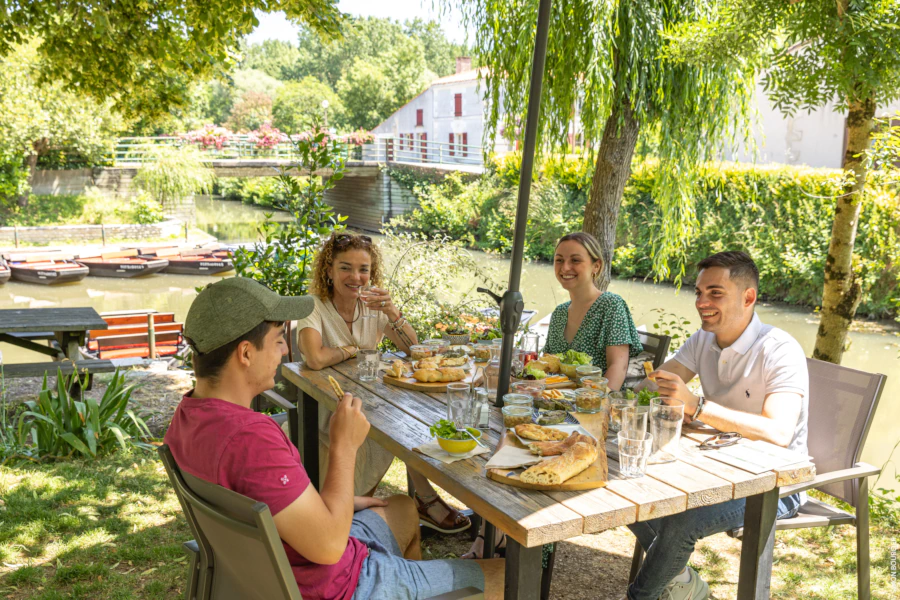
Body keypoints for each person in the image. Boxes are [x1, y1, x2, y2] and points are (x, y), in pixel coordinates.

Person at [164, 277, 504, 600]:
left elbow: (266, 502)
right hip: (338, 586)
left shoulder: (188, 416)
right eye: (278, 339)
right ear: (245, 353)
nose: (284, 350)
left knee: (401, 507)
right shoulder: (252, 439)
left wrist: (334, 502)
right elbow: (327, 547)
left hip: (278, 564)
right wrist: (345, 446)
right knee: (507, 573)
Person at [625, 251, 808, 600]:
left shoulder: (779, 349)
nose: (702, 302)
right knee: (627, 483)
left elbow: (779, 433)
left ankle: (640, 596)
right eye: (698, 292)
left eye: (715, 293)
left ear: (748, 297)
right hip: (718, 466)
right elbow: (653, 385)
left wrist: (698, 405)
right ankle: (683, 583)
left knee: (682, 521)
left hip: (774, 485)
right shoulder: (703, 340)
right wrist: (632, 392)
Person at [296, 232, 471, 534]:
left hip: (369, 398)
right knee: (393, 427)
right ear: (328, 270)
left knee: (404, 420)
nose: (356, 276)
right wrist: (351, 350)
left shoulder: (373, 308)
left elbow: (411, 348)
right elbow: (314, 358)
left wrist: (392, 312)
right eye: (345, 267)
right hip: (326, 403)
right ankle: (415, 502)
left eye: (363, 269)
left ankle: (414, 501)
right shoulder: (314, 305)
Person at [542, 232, 643, 391]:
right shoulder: (559, 313)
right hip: (555, 404)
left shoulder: (611, 305)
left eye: (575, 260)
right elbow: (547, 365)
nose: (565, 267)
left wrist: (592, 402)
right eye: (559, 260)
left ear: (596, 266)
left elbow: (618, 367)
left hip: (595, 406)